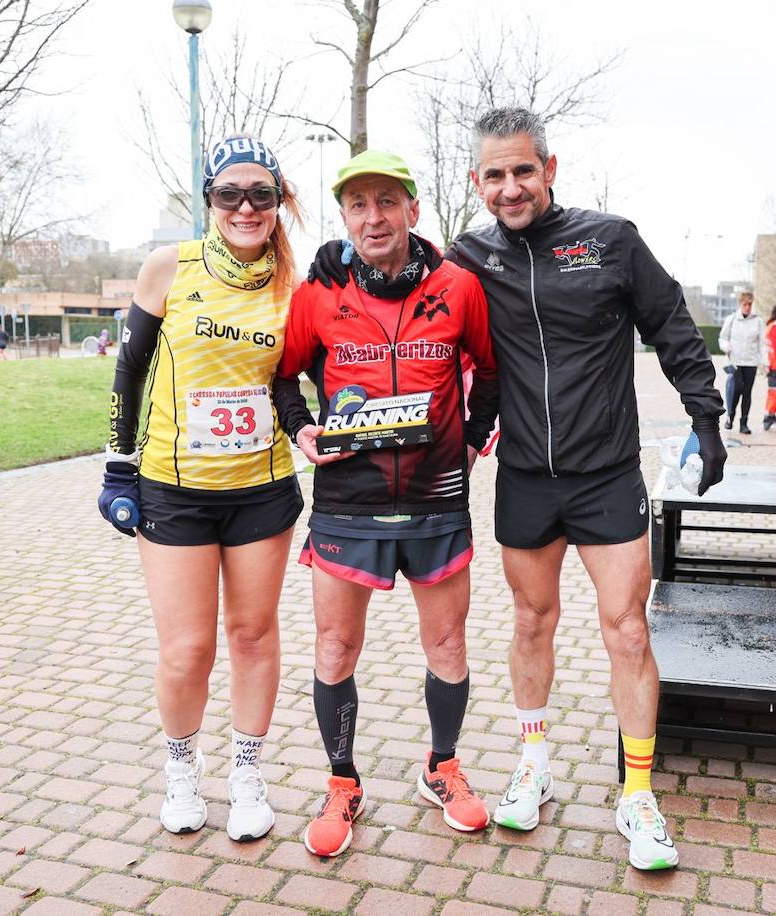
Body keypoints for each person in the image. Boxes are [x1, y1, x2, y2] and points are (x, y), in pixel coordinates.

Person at [308, 107, 726, 872]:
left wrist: (706, 417)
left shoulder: (611, 240)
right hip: (526, 477)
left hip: (606, 475)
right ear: (476, 182)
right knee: (532, 623)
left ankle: (637, 795)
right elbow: (404, 258)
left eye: (523, 171)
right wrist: (336, 255)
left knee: (628, 629)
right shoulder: (470, 257)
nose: (510, 187)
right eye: (494, 175)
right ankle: (533, 764)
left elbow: (672, 325)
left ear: (551, 169)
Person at [273, 149, 498, 857]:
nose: (373, 217)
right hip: (348, 504)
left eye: (386, 202)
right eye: (358, 205)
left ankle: (443, 766)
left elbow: (489, 375)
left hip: (437, 504)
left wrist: (470, 446)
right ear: (345, 217)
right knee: (336, 648)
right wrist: (300, 430)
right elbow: (285, 381)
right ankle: (342, 782)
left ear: (413, 209)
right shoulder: (317, 292)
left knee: (449, 645)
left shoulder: (460, 287)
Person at [96, 136, 305, 842]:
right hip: (174, 488)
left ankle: (247, 772)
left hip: (262, 487)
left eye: (262, 195)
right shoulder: (168, 268)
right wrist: (117, 461)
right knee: (187, 648)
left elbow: (291, 382)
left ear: (279, 202)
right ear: (208, 199)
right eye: (229, 194)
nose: (246, 208)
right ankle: (182, 769)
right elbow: (128, 371)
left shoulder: (293, 282)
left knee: (252, 635)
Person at [718, 291, 764, 434]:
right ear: (740, 304)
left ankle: (744, 423)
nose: (748, 307)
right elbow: (723, 338)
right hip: (735, 362)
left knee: (747, 392)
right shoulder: (731, 319)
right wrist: (725, 346)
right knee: (735, 390)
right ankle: (730, 417)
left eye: (750, 304)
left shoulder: (758, 321)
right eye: (745, 304)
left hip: (751, 362)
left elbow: (763, 343)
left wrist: (765, 362)